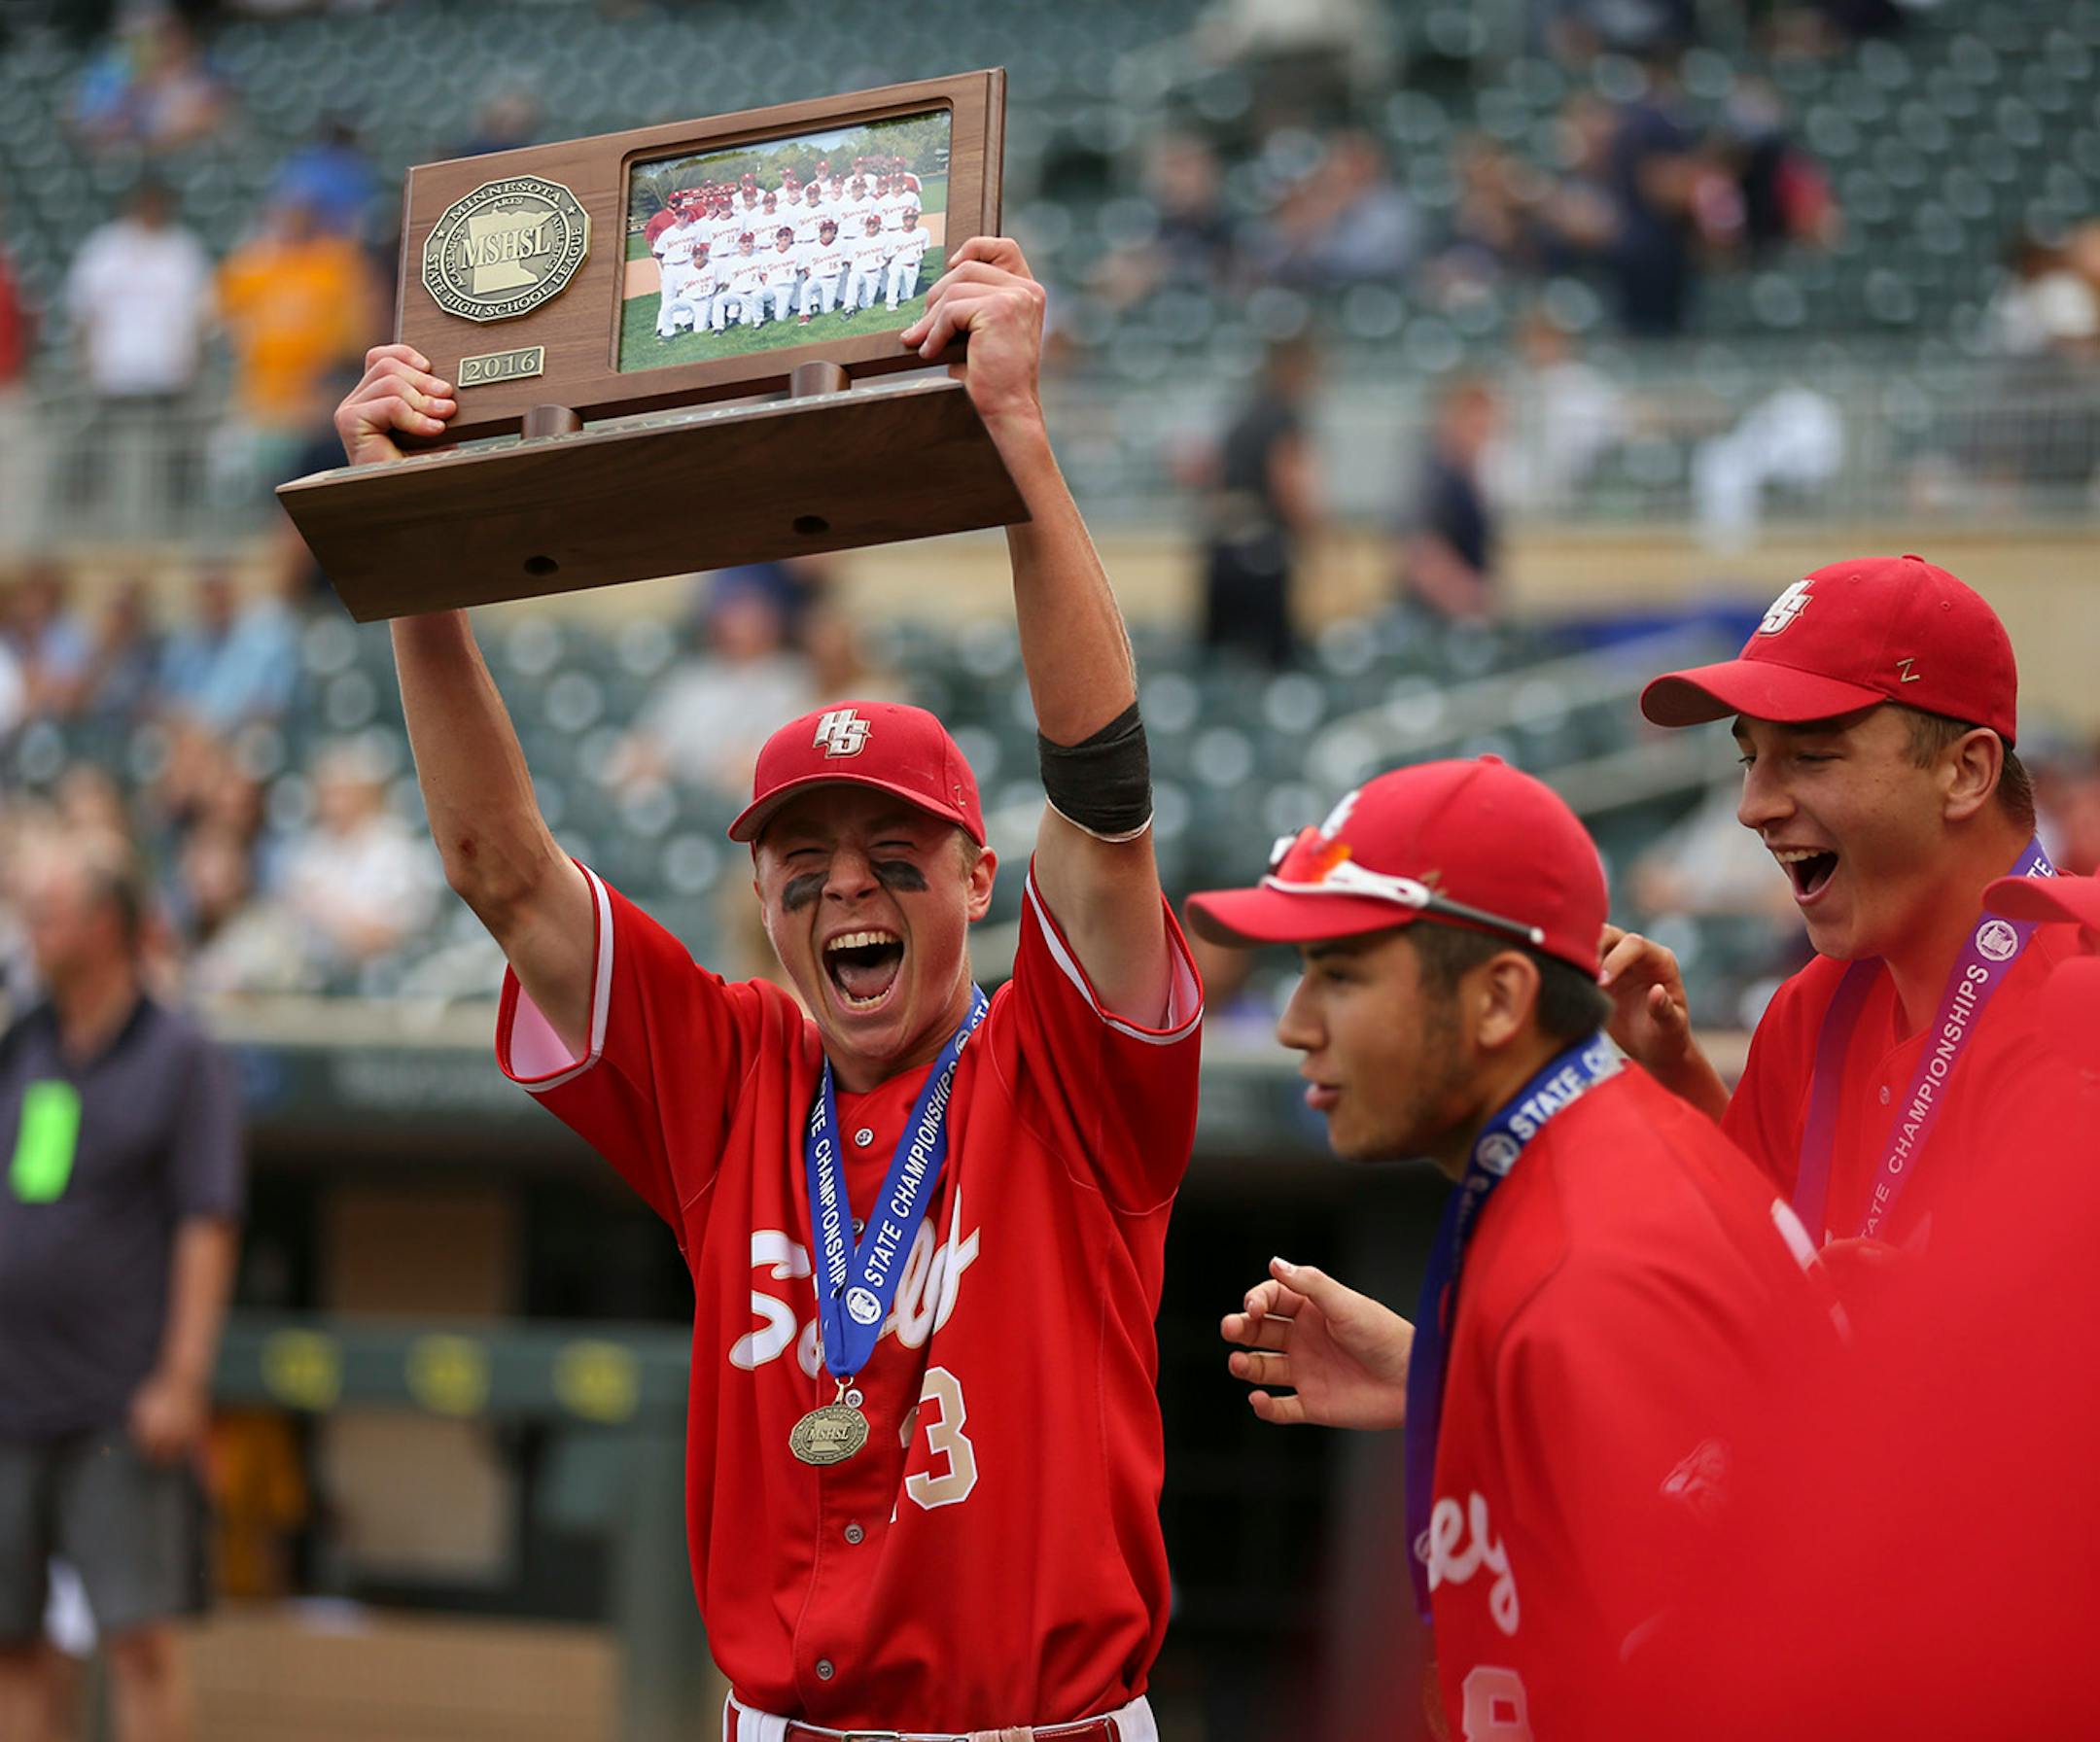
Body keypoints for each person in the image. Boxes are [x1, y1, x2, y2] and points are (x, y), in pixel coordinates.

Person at [332, 233, 1204, 1740]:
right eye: (803, 858)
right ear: (761, 899)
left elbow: (1106, 810)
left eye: (895, 852)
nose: (848, 887)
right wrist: (420, 556)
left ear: (982, 883)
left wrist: (1017, 443)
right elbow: (500, 868)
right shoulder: (731, 1074)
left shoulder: (1065, 1069)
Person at [1186, 758, 1831, 1735]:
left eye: (1342, 976)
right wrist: (1443, 1384)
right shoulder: (1575, 1161)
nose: (1293, 1025)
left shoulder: (1598, 1253)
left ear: (1497, 999)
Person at [1605, 555, 2079, 1256]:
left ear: (1966, 772)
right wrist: (1672, 1071)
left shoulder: (2079, 1000)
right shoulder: (1813, 1007)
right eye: (1749, 760)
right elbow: (1766, 1263)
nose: (1753, 807)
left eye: (1813, 756)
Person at [0, 833, 244, 1742]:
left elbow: (206, 1219)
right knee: (14, 1644)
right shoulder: (24, 1039)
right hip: (10, 1400)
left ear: (107, 925)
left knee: (138, 1643)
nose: (33, 927)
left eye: (51, 911)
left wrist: (183, 1377)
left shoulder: (180, 1056)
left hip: (119, 1403)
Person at [1198, 337, 1321, 670]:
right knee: (1277, 663)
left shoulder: (1243, 415)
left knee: (1219, 662)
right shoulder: (1283, 415)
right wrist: (1312, 537)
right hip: (1261, 552)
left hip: (1220, 549)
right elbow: (1287, 481)